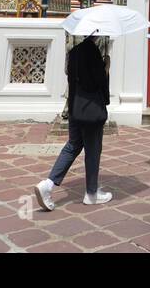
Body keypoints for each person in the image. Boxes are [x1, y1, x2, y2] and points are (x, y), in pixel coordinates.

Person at [33, 36, 112, 210]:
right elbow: (95, 83)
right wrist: (105, 67)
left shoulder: (74, 52)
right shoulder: (93, 52)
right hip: (90, 111)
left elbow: (71, 78)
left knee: (73, 145)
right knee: (93, 150)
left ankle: (48, 184)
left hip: (75, 107)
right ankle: (91, 193)